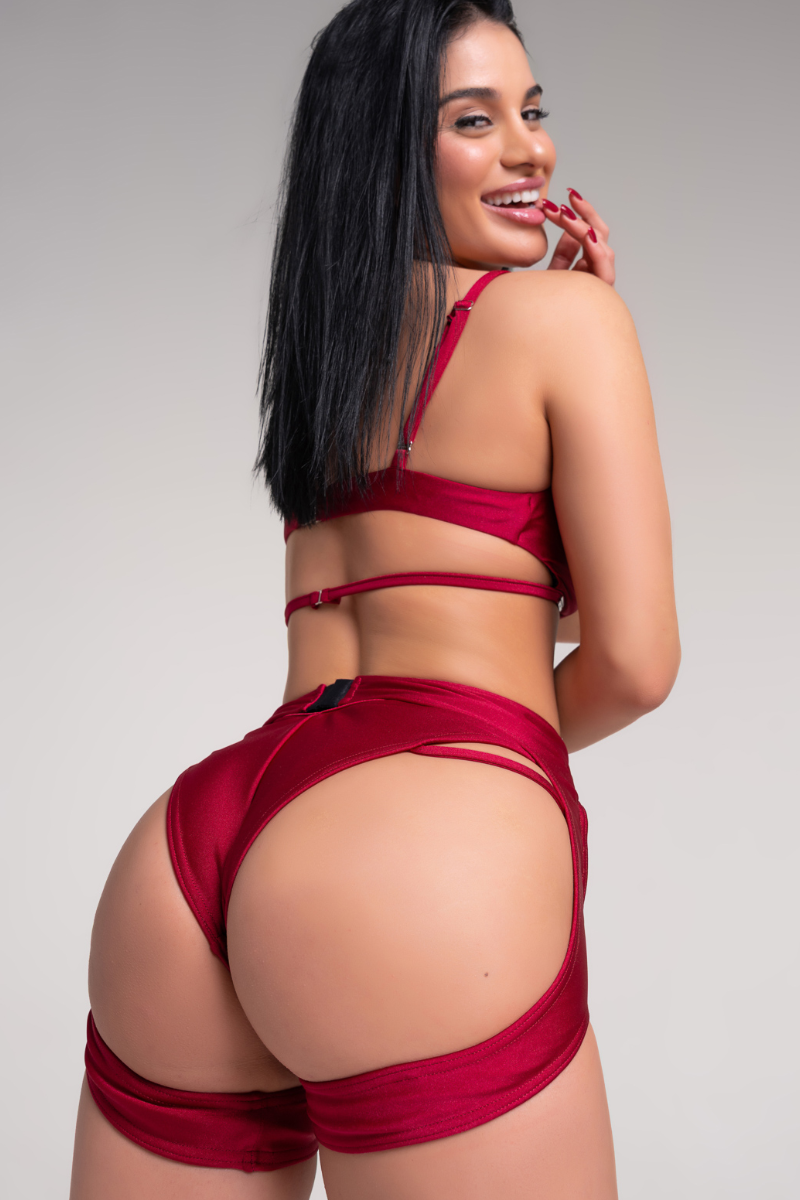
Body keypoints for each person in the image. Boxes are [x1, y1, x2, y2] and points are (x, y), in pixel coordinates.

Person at [69, 1, 680, 1197]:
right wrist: (471, 743)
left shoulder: (327, 354)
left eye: (531, 111)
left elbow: (453, 590)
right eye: (473, 121)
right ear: (388, 147)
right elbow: (632, 662)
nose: (531, 149)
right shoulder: (569, 323)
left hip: (195, 850)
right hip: (409, 866)